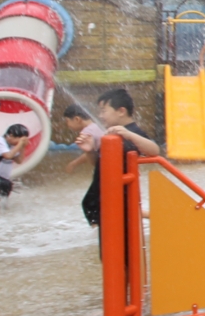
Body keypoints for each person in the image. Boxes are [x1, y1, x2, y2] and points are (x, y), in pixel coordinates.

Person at [76, 89, 161, 228]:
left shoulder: (132, 132)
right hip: (102, 201)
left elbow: (154, 150)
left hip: (115, 201)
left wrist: (129, 135)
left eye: (104, 111)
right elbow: (99, 165)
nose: (100, 115)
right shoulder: (111, 134)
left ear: (121, 111)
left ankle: (162, 217)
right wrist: (90, 151)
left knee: (118, 242)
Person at [0, 123, 29, 201]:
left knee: (2, 202)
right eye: (20, 139)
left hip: (3, 179)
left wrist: (22, 147)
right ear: (11, 135)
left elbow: (19, 160)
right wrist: (20, 144)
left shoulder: (13, 145)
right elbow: (8, 155)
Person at [62, 104, 105, 173]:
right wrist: (74, 163)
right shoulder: (97, 125)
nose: (67, 125)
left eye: (67, 121)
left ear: (77, 119)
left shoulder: (86, 133)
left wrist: (74, 164)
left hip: (104, 166)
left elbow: (93, 161)